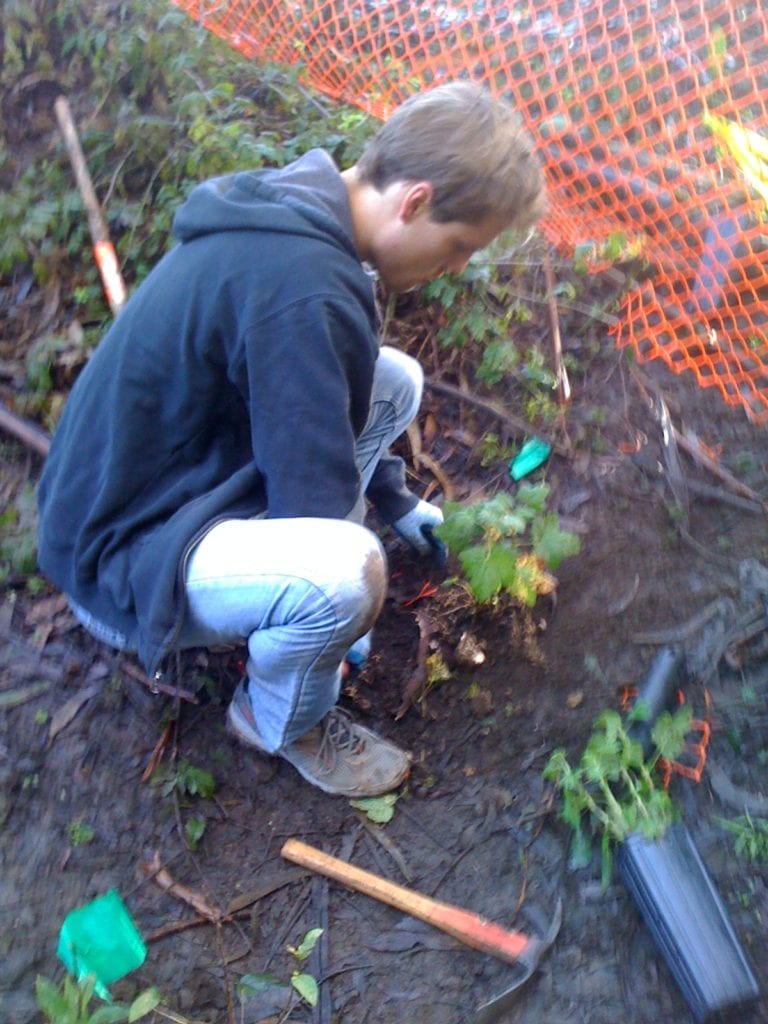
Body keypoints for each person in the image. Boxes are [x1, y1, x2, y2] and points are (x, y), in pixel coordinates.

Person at [37, 81, 545, 798]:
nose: (455, 266)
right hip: (120, 556)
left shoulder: (299, 205)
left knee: (393, 379)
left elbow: (331, 398)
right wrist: (344, 627)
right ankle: (282, 720)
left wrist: (395, 502)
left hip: (139, 488)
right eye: (459, 246)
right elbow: (314, 497)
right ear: (416, 202)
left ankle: (300, 620)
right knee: (345, 579)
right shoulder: (306, 287)